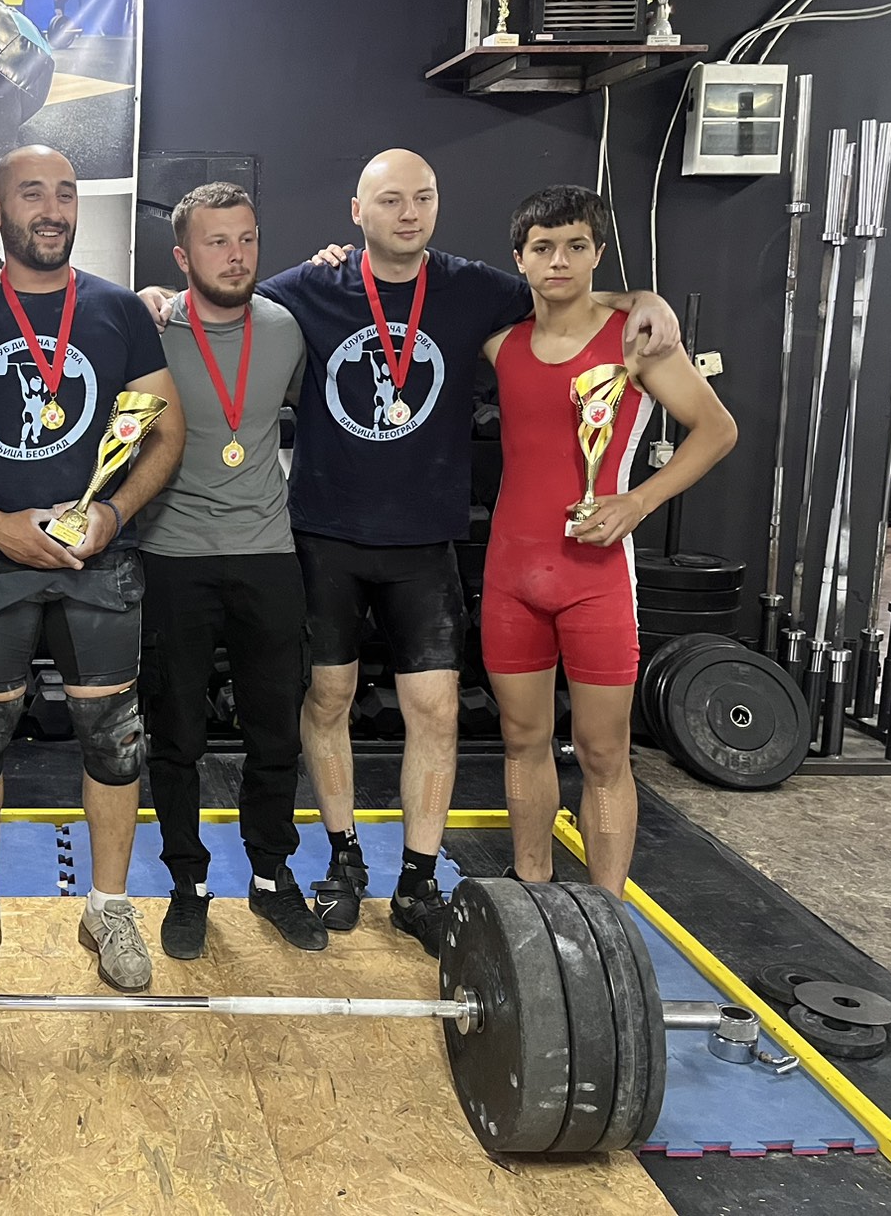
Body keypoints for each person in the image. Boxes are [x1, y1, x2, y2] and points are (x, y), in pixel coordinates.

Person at [139, 148, 679, 956]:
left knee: (435, 712)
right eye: (389, 200)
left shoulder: (474, 288)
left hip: (425, 541)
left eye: (422, 198)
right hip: (323, 535)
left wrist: (645, 300)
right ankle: (343, 860)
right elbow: (220, 295)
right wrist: (152, 298)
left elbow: (565, 290)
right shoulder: (307, 288)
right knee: (324, 702)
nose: (408, 213)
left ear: (437, 205)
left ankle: (419, 879)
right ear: (356, 213)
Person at [0, 145, 185, 995]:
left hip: (100, 561)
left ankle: (109, 907)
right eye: (31, 194)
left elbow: (168, 431)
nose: (51, 209)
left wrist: (113, 515)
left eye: (64, 193)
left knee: (116, 741)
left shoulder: (119, 311)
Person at [487, 185, 734, 895]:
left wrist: (638, 501)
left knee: (602, 753)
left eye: (576, 246)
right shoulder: (500, 343)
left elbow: (717, 429)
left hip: (594, 579)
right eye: (543, 248)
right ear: (520, 259)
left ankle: (609, 916)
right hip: (511, 576)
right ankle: (532, 893)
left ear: (598, 252)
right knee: (522, 741)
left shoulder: (634, 343)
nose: (559, 261)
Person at [137, 182, 327, 958]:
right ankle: (187, 885)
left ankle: (273, 878)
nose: (236, 255)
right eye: (217, 242)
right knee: (176, 737)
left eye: (246, 238)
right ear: (183, 256)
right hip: (174, 554)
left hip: (266, 552)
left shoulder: (285, 327)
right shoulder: (150, 327)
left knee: (275, 733)